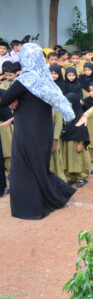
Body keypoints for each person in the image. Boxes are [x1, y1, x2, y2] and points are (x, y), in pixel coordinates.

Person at [0, 44, 76, 219]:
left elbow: (3, 101)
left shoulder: (25, 80)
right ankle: (58, 195)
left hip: (27, 130)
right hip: (44, 129)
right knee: (39, 166)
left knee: (24, 167)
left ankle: (32, 207)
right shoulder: (45, 78)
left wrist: (13, 99)